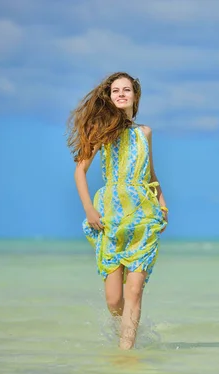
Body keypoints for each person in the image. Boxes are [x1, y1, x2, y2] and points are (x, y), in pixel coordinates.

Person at [66, 72, 168, 350]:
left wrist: (162, 204)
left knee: (134, 291)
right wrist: (89, 210)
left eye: (126, 90)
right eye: (115, 91)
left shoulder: (144, 132)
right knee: (113, 300)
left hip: (143, 215)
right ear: (109, 97)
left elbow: (151, 173)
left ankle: (126, 355)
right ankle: (127, 332)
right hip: (110, 215)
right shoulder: (102, 131)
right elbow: (80, 171)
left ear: (135, 96)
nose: (121, 94)